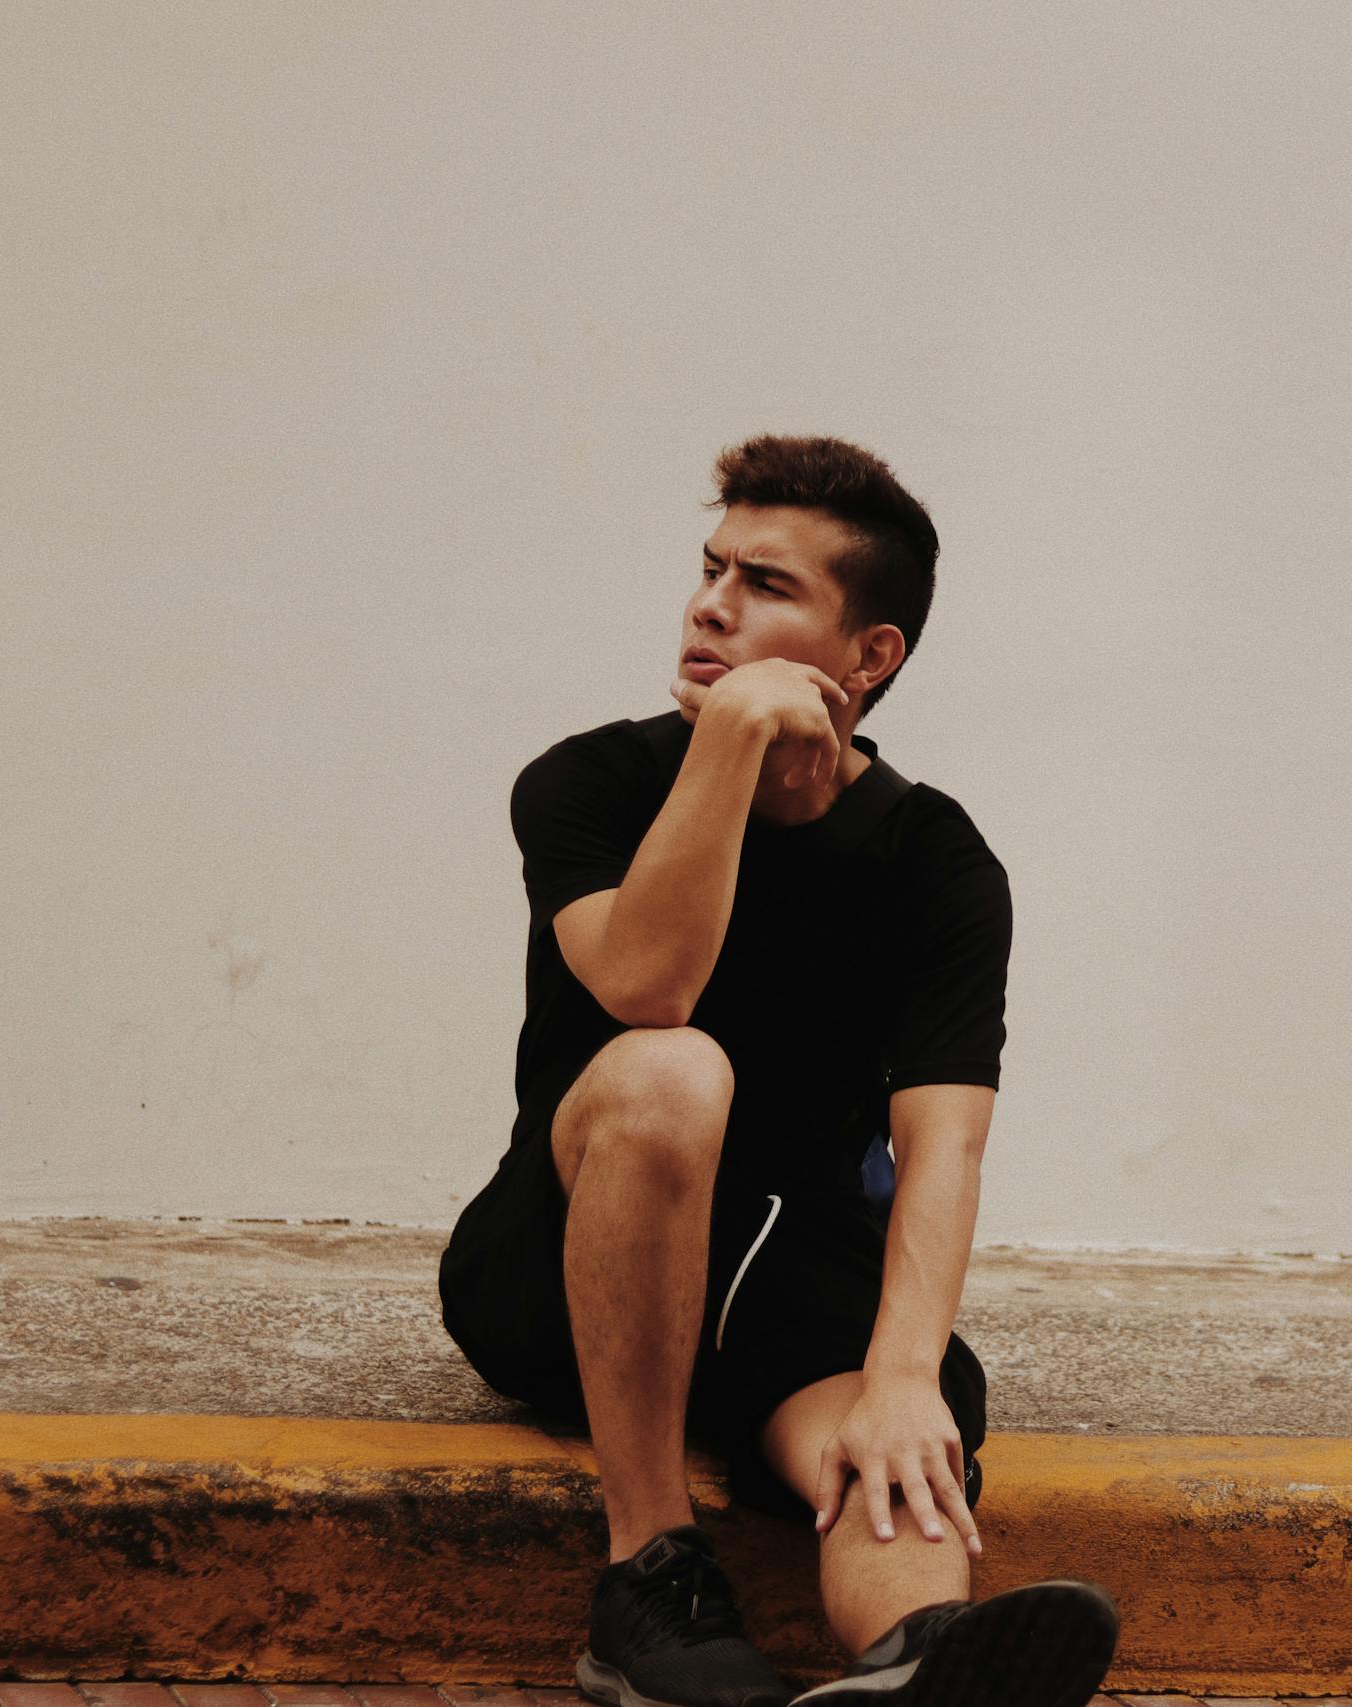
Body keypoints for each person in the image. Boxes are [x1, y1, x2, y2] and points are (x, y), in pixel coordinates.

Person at [436, 434, 1120, 1707]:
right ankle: (648, 1569)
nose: (710, 605)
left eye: (764, 584)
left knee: (885, 1439)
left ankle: (915, 1659)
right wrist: (734, 738)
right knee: (673, 1071)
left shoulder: (936, 861)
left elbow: (943, 1145)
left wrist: (903, 1380)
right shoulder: (590, 783)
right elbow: (648, 987)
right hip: (560, 1264)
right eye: (711, 570)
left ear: (870, 656)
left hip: (781, 1283)